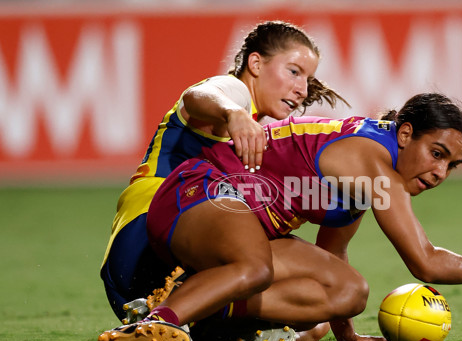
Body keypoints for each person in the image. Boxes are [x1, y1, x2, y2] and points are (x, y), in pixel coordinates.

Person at [97, 93, 462, 341]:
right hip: (198, 193)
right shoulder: (372, 162)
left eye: (453, 165)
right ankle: (152, 324)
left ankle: (200, 306)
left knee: (349, 293)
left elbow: (334, 255)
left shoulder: (372, 175)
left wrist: (344, 327)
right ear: (405, 134)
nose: (440, 172)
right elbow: (425, 264)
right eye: (437, 153)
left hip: (237, 226)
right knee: (255, 268)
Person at [99, 20, 349, 321]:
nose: (301, 89)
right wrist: (232, 113)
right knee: (296, 289)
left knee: (314, 317)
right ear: (255, 63)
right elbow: (199, 95)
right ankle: (179, 310)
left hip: (141, 269)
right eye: (294, 71)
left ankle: (198, 318)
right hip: (146, 242)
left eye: (308, 78)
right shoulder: (236, 94)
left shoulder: (257, 129)